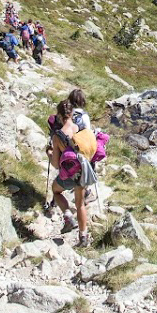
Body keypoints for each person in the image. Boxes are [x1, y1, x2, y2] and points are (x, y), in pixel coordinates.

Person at [48, 98, 97, 247]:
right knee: (80, 204)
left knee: (55, 191)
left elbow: (56, 164)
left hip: (69, 174)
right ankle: (83, 238)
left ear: (60, 116)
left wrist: (49, 152)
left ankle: (68, 217)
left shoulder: (58, 136)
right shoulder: (81, 128)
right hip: (83, 171)